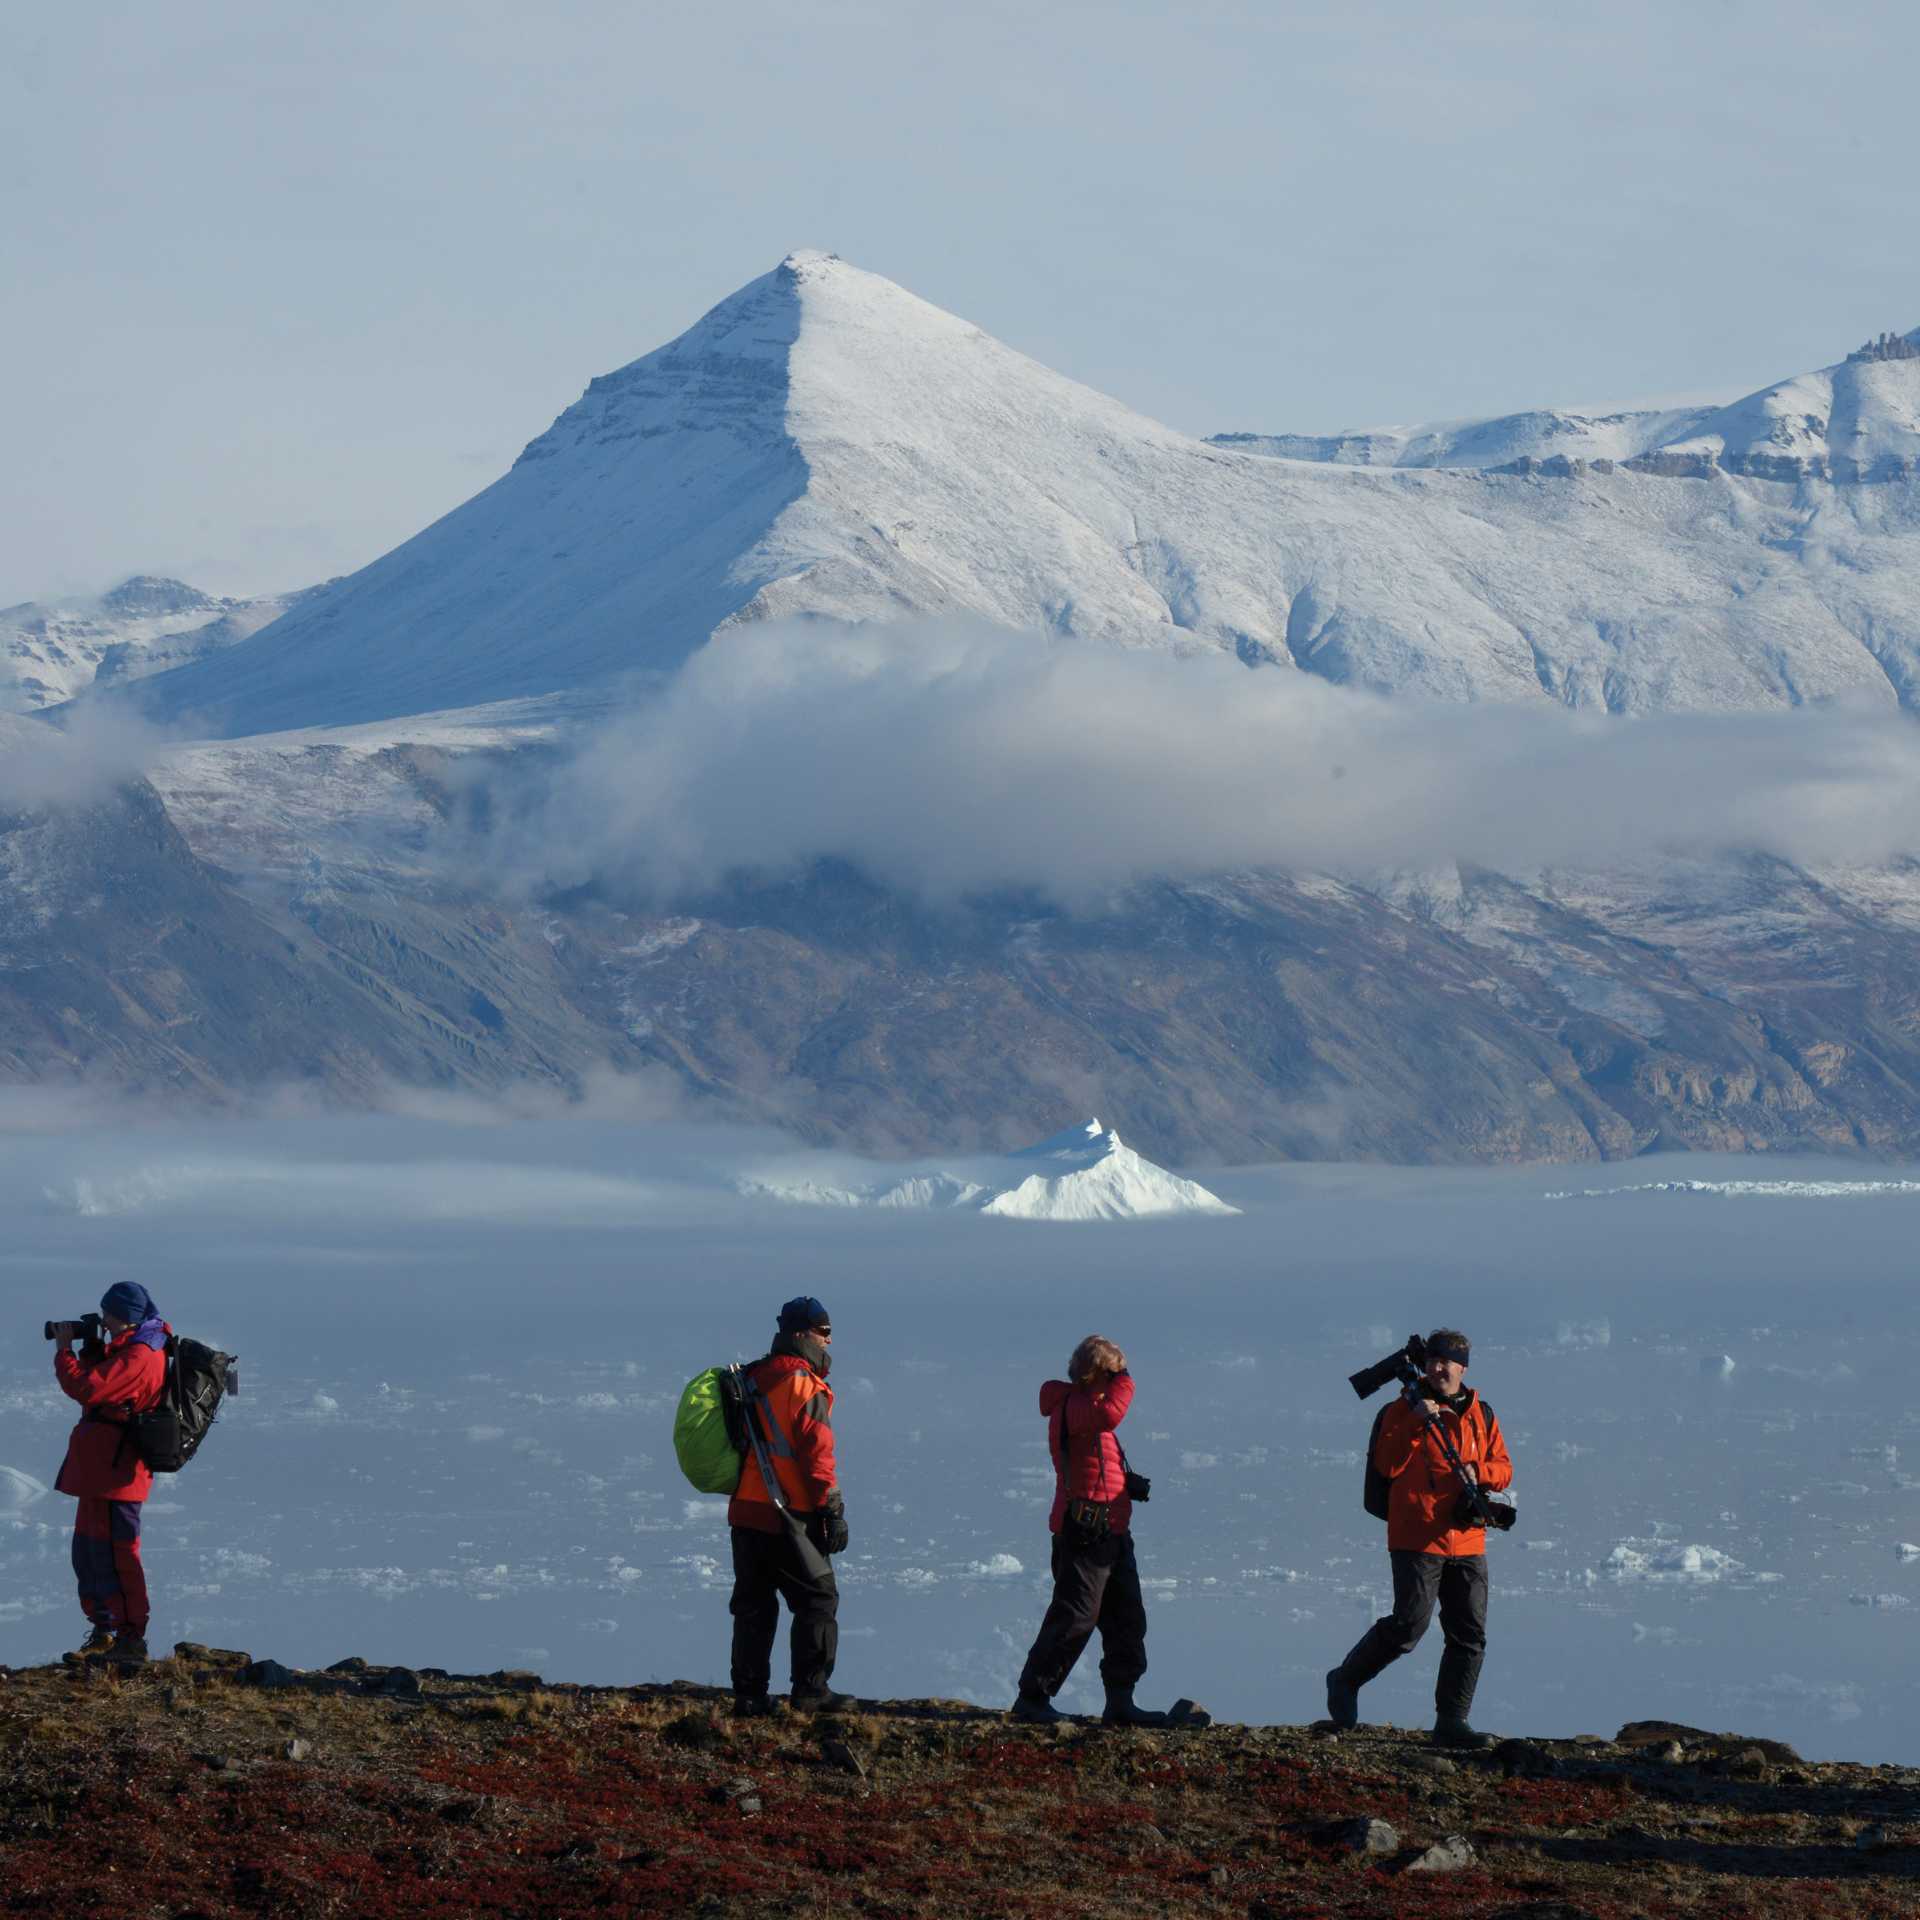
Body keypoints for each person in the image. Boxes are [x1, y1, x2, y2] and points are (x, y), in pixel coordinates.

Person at [1325, 1328, 1512, 1748]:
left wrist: (1479, 1473)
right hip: (1416, 1535)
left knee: (1469, 1634)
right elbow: (1387, 1466)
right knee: (1409, 1625)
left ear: (1463, 1366)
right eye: (1432, 1360)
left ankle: (1452, 1722)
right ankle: (1345, 1679)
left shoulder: (1482, 1413)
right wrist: (1415, 1420)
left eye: (1447, 1361)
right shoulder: (1400, 1410)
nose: (1438, 1367)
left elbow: (1503, 1466)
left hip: (1467, 1537)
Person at [1011, 1334, 1167, 1727]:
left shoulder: (1088, 1409)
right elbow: (1112, 1413)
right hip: (1083, 1533)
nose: (1121, 1380)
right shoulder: (1074, 1407)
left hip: (1111, 1531)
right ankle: (1033, 1697)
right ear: (1096, 1373)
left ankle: (1121, 1701)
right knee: (1075, 1616)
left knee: (1126, 1617)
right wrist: (1126, 1379)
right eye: (1114, 1372)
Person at [727, 1294, 851, 1715]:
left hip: (746, 1511)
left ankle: (748, 1695)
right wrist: (831, 1511)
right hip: (789, 1515)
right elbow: (817, 1455)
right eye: (824, 1332)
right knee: (818, 1598)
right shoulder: (803, 1384)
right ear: (801, 1334)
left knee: (754, 1604)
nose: (829, 1341)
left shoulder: (751, 1378)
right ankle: (811, 1691)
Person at [53, 1282, 170, 1667]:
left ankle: (130, 1636)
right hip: (100, 1471)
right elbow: (103, 1384)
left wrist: (65, 1352)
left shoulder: (140, 1355)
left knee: (118, 1556)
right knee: (88, 1554)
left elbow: (87, 1388)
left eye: (107, 1314)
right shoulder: (126, 1349)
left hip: (119, 1474)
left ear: (124, 1315)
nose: (103, 1320)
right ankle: (104, 1631)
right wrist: (90, 1350)